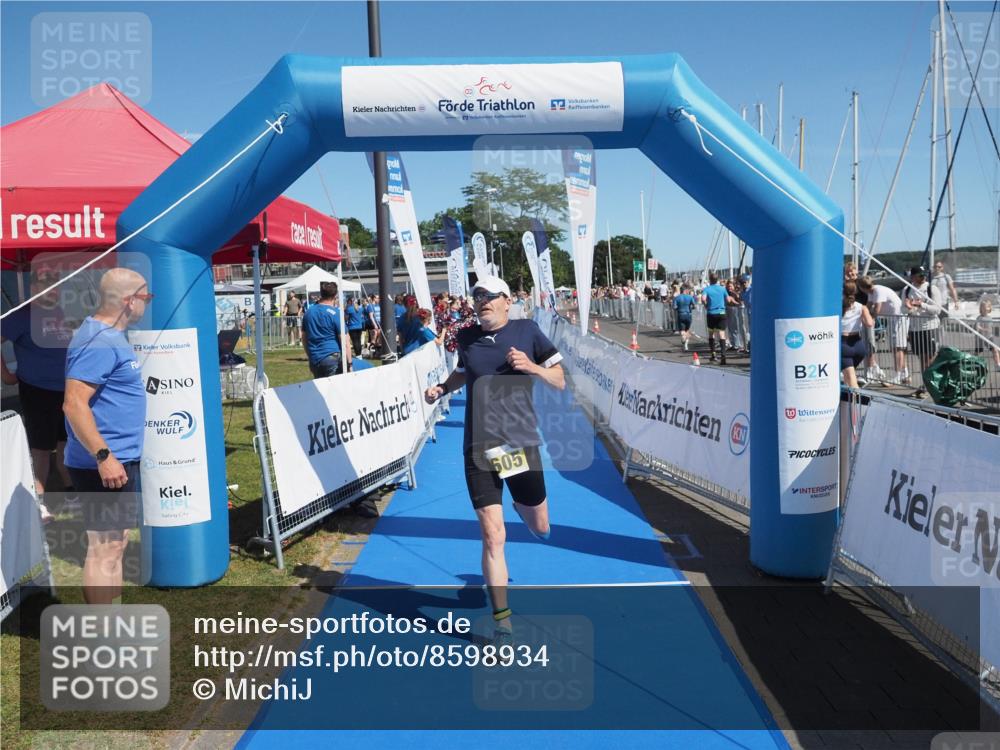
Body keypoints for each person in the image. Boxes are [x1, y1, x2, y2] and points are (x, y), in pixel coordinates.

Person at [423, 276, 565, 644]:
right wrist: (441, 388)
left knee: (541, 525)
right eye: (477, 295)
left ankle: (523, 506)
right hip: (478, 446)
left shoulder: (527, 330)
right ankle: (502, 624)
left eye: (489, 296)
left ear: (506, 301)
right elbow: (460, 373)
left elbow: (560, 380)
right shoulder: (468, 337)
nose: (482, 300)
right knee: (492, 536)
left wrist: (532, 368)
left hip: (517, 446)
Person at [63, 268, 151, 604]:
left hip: (119, 458)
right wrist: (105, 457)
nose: (147, 303)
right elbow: (73, 404)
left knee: (116, 542)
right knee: (104, 548)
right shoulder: (97, 341)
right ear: (129, 302)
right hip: (103, 462)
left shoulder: (110, 336)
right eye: (145, 296)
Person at [1, 268, 77, 521]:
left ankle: (72, 494)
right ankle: (38, 502)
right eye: (44, 284)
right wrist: (6, 375)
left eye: (54, 283)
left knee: (67, 444)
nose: (50, 289)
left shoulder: (65, 313)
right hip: (37, 391)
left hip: (68, 390)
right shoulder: (21, 316)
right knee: (41, 449)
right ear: (33, 288)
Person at [857, 275, 908, 385]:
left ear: (861, 287)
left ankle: (898, 375)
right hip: (892, 319)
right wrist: (863, 315)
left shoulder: (878, 291)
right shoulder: (872, 292)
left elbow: (877, 307)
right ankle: (904, 373)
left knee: (897, 347)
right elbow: (868, 305)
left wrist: (873, 319)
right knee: (895, 347)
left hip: (898, 318)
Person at [903, 266, 942, 396]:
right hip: (915, 328)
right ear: (912, 277)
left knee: (930, 358)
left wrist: (921, 305)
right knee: (922, 358)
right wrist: (909, 308)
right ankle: (926, 383)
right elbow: (903, 310)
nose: (923, 277)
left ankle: (930, 385)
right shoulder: (907, 289)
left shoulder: (932, 288)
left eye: (924, 274)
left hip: (930, 327)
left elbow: (937, 310)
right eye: (920, 275)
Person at [301, 282, 351, 378]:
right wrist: (350, 364)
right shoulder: (336, 313)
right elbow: (345, 342)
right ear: (335, 296)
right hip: (331, 357)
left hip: (315, 359)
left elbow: (304, 338)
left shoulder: (309, 312)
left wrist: (310, 355)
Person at [841, 281, 875, 389]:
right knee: (849, 377)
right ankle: (848, 400)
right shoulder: (861, 307)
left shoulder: (838, 306)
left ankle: (855, 404)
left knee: (852, 382)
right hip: (858, 345)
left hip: (843, 344)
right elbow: (869, 323)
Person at [701, 272, 733, 364]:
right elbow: (728, 300)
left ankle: (713, 354)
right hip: (721, 312)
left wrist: (706, 305)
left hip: (711, 313)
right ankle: (723, 355)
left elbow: (703, 299)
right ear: (717, 280)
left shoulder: (707, 289)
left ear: (710, 280)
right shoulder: (722, 289)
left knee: (712, 334)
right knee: (722, 334)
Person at [974, 299, 1000, 370]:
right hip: (980, 338)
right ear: (981, 309)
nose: (984, 309)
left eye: (986, 307)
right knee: (978, 352)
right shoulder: (979, 318)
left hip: (989, 337)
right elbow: (977, 327)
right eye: (982, 307)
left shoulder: (990, 318)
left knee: (995, 350)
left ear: (989, 308)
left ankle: (997, 364)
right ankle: (973, 364)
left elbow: (991, 328)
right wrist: (983, 329)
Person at [673, 284, 695, 351]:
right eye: (688, 290)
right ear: (685, 290)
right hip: (688, 314)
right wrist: (691, 308)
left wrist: (678, 308)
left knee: (682, 331)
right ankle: (686, 345)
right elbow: (694, 306)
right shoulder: (690, 297)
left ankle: (683, 339)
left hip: (680, 314)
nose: (688, 291)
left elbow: (674, 307)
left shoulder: (677, 298)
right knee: (687, 330)